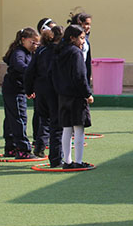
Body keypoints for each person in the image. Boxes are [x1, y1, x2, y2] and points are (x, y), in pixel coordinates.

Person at [52, 24, 94, 169]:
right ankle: (79, 161)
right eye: (81, 38)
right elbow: (80, 76)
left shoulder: (59, 51)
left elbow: (53, 74)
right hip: (76, 96)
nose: (83, 41)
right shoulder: (76, 53)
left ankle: (67, 161)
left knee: (67, 128)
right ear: (72, 38)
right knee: (79, 128)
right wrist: (87, 93)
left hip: (63, 95)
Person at [26, 19, 62, 161]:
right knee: (56, 124)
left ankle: (40, 147)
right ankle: (56, 157)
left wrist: (29, 89)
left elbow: (30, 71)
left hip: (40, 89)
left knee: (44, 120)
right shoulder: (60, 52)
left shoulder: (41, 50)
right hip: (54, 90)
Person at [1, 27, 40, 158]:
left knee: (11, 118)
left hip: (15, 88)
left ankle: (10, 147)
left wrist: (30, 88)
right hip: (14, 89)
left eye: (37, 43)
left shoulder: (28, 53)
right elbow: (19, 65)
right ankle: (23, 149)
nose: (35, 45)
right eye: (32, 42)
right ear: (23, 40)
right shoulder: (19, 52)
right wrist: (31, 71)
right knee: (19, 118)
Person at [69, 11, 93, 84]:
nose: (89, 27)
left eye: (89, 24)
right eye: (86, 24)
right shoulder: (71, 41)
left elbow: (87, 61)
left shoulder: (86, 41)